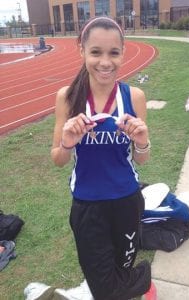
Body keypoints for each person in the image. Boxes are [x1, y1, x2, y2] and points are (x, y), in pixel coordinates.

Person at [51, 16, 157, 300]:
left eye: (114, 53)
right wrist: (67, 142)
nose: (105, 62)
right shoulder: (68, 97)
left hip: (126, 201)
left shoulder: (134, 97)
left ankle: (134, 280)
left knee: (120, 271)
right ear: (82, 51)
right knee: (103, 286)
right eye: (96, 52)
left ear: (123, 52)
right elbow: (58, 159)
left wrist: (142, 140)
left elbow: (141, 160)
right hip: (87, 206)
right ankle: (144, 280)